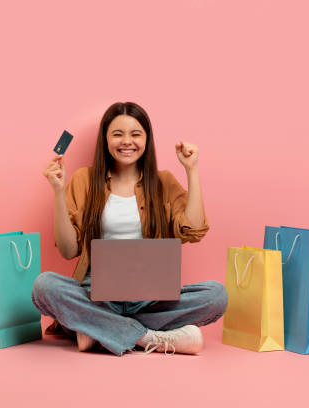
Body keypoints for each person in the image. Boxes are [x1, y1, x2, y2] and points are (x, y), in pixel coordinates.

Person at [34, 101, 227, 356]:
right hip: (97, 294)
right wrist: (58, 193)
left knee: (217, 295)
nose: (127, 141)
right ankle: (148, 337)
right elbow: (69, 251)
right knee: (44, 285)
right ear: (105, 139)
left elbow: (193, 230)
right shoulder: (84, 179)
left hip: (151, 297)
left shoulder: (163, 181)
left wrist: (191, 170)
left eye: (136, 134)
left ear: (147, 139)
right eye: (117, 134)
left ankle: (97, 329)